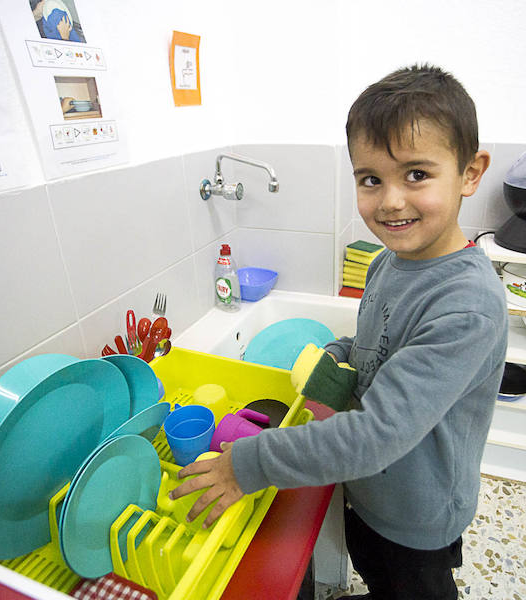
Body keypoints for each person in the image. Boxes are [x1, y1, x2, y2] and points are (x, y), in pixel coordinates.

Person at [170, 64, 508, 600]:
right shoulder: (389, 262)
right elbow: (374, 346)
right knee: (375, 572)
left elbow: (377, 435)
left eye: (417, 174)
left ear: (470, 172)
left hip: (418, 511)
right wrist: (334, 354)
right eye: (371, 179)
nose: (390, 200)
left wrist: (248, 464)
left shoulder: (467, 305)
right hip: (371, 489)